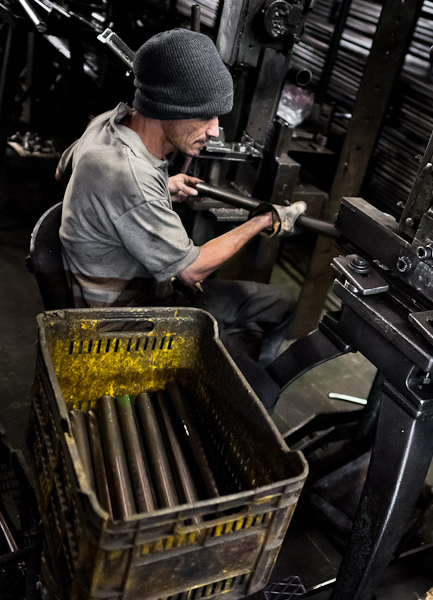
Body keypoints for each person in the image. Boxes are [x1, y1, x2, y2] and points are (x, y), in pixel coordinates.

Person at [55, 28, 305, 392]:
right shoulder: (131, 175)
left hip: (150, 291)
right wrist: (263, 220)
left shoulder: (108, 122)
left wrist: (162, 190)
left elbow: (62, 172)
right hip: (127, 324)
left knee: (279, 303)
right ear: (167, 109)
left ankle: (229, 372)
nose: (215, 131)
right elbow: (192, 270)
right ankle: (224, 395)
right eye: (205, 116)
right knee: (260, 396)